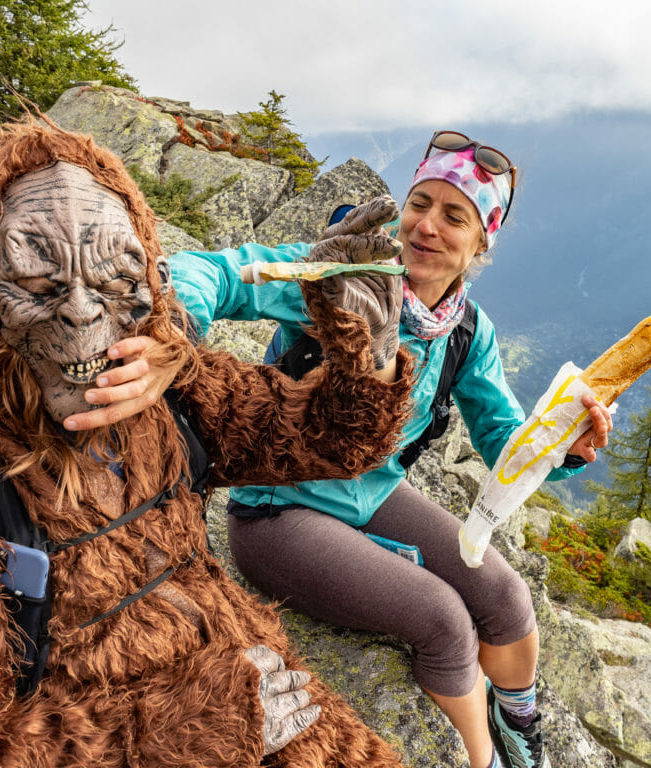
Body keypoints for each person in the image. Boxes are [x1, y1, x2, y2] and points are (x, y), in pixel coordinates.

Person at [0, 121, 417, 768]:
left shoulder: (170, 393)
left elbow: (325, 443)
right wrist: (184, 730)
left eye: (113, 276)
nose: (80, 311)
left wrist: (371, 352)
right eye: (40, 282)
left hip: (282, 707)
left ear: (152, 274)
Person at [73, 130, 613, 768]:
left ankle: (518, 722)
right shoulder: (342, 276)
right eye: (420, 203)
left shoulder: (469, 332)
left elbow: (506, 450)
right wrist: (176, 331)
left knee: (507, 599)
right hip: (280, 512)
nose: (426, 226)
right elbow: (213, 271)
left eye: (454, 215)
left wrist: (561, 448)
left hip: (374, 492)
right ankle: (483, 760)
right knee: (443, 618)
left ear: (480, 243)